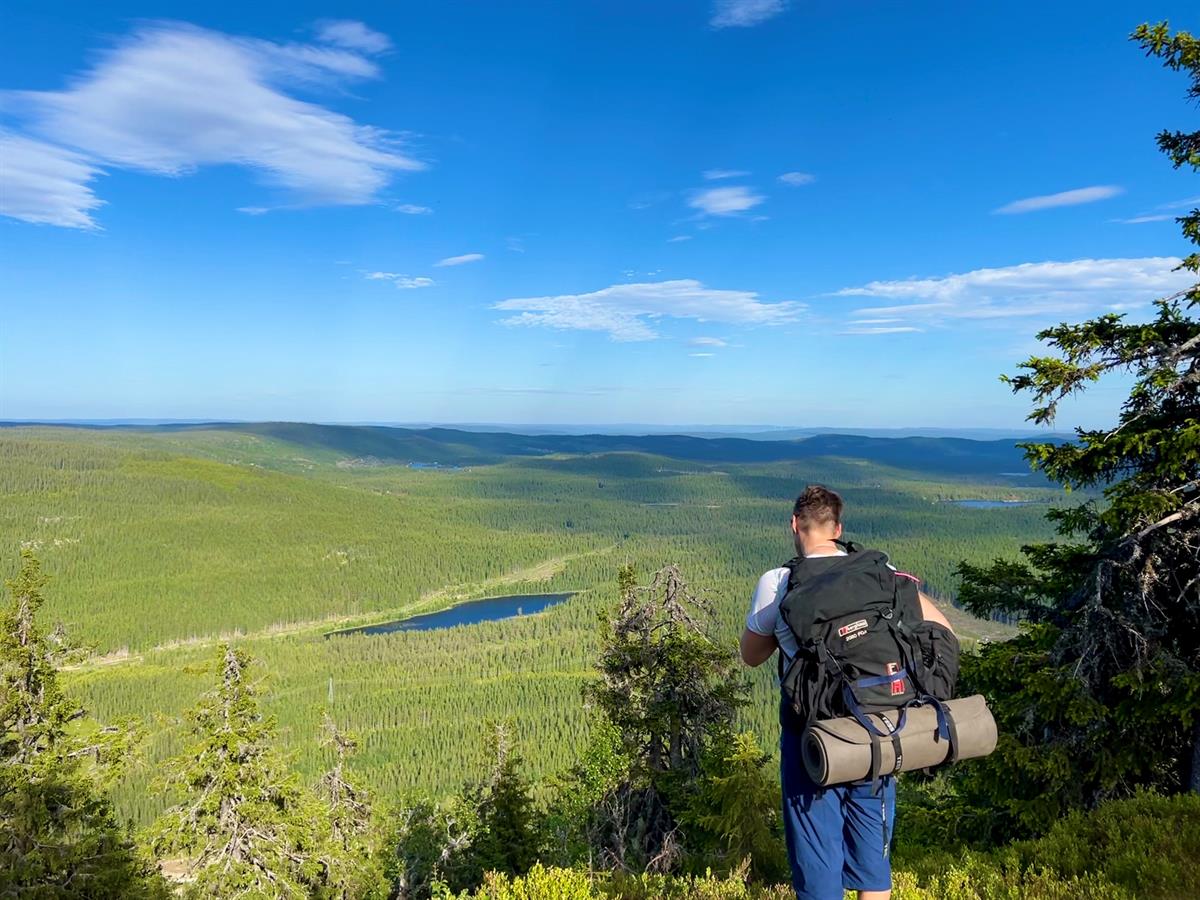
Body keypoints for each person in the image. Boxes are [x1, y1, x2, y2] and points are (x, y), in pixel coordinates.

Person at [739, 485, 954, 900]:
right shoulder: (879, 572)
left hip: (813, 740)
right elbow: (940, 627)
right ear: (838, 528)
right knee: (873, 867)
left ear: (794, 526)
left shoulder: (779, 582)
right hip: (879, 731)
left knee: (818, 864)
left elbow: (751, 655)